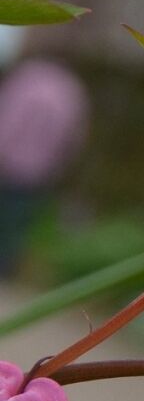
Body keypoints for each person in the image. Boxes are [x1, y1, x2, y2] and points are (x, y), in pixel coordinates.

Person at [0, 58, 90, 275]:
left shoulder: (28, 78)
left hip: (8, 165)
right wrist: (56, 169)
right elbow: (73, 141)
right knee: (15, 229)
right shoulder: (73, 91)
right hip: (38, 174)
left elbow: (8, 119)